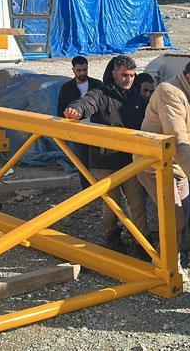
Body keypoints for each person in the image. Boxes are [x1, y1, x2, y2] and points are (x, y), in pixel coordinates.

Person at [136, 57, 190, 280]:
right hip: (155, 164)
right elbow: (178, 139)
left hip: (178, 166)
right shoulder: (169, 92)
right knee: (173, 215)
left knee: (182, 215)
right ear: (188, 76)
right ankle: (165, 262)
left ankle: (169, 257)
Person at [63, 55, 149, 254]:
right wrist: (74, 110)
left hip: (131, 160)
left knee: (137, 203)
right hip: (107, 160)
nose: (129, 79)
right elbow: (85, 104)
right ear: (114, 74)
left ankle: (143, 242)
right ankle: (112, 236)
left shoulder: (137, 96)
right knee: (111, 204)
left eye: (132, 75)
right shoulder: (100, 93)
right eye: (124, 75)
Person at [57, 56, 102, 189]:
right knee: (82, 163)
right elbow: (60, 110)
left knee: (101, 162)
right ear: (73, 70)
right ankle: (86, 190)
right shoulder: (67, 88)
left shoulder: (97, 85)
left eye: (84, 69)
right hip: (78, 131)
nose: (82, 72)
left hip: (96, 129)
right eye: (79, 70)